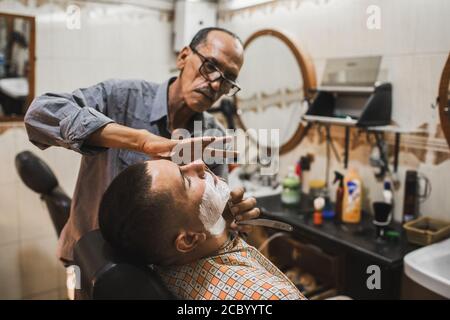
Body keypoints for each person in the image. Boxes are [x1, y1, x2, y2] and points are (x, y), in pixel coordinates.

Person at [24, 27, 259, 263]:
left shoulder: (212, 136)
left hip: (153, 275)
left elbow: (211, 219)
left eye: (228, 79)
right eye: (210, 66)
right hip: (91, 257)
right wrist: (143, 142)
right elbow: (40, 113)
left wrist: (227, 217)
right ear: (184, 56)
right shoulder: (121, 98)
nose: (216, 85)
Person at [99, 159, 305, 300]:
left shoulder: (166, 262)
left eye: (182, 165)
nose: (199, 164)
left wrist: (221, 221)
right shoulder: (272, 296)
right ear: (188, 241)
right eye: (186, 180)